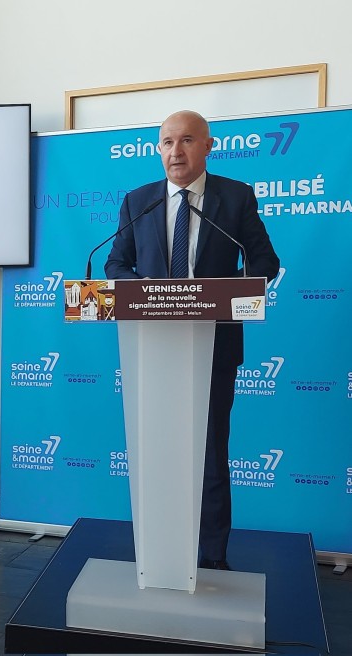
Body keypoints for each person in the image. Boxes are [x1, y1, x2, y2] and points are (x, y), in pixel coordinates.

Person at [105, 110, 280, 570]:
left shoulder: (235, 198)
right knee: (156, 451)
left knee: (210, 453)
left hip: (213, 347)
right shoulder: (138, 201)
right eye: (167, 142)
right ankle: (160, 553)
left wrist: (217, 295)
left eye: (186, 140)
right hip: (152, 348)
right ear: (158, 150)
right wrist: (146, 293)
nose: (175, 152)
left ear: (207, 146)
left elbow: (264, 262)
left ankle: (212, 560)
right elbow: (116, 265)